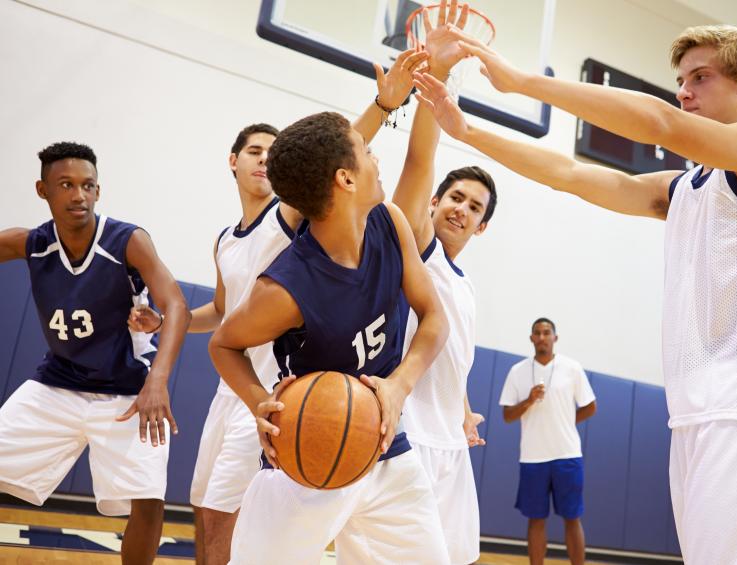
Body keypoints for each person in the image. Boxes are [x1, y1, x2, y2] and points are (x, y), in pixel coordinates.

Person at [415, 24, 737, 564]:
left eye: (701, 77)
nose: (684, 91)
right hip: (692, 413)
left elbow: (660, 121)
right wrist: (467, 132)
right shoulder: (680, 189)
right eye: (680, 80)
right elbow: (567, 172)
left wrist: (521, 83)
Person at [127, 49, 430, 564]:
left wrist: (385, 104)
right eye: (253, 150)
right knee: (210, 509)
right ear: (233, 160)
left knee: (227, 510)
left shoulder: (288, 217)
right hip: (281, 399)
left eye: (271, 151)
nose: (263, 158)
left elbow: (340, 155)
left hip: (336, 409)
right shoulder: (231, 242)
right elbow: (224, 321)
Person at [208, 110, 451, 564]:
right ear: (346, 179)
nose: (375, 159)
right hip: (308, 455)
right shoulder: (284, 289)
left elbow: (434, 316)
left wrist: (399, 385)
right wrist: (260, 400)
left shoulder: (389, 222)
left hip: (385, 448)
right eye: (367, 152)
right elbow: (223, 344)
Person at [0, 142, 189, 564]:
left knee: (148, 499)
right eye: (66, 185)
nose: (78, 195)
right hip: (58, 383)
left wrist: (157, 380)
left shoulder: (128, 240)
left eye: (87, 185)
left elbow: (176, 305)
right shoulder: (33, 243)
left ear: (98, 192)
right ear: (42, 190)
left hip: (128, 391)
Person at [390, 2, 497, 562]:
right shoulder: (418, 246)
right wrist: (438, 73)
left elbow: (450, 353)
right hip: (406, 437)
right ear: (434, 204)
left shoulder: (465, 283)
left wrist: (461, 407)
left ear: (482, 227)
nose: (461, 208)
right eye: (455, 197)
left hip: (451, 442)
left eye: (474, 207)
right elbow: (418, 159)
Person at [499, 318, 596, 565]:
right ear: (531, 338)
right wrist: (529, 400)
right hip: (533, 457)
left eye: (546, 333)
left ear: (555, 338)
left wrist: (565, 421)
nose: (542, 337)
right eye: (537, 333)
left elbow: (590, 406)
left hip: (567, 455)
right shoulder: (517, 371)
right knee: (535, 519)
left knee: (572, 518)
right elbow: (507, 416)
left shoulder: (572, 368)